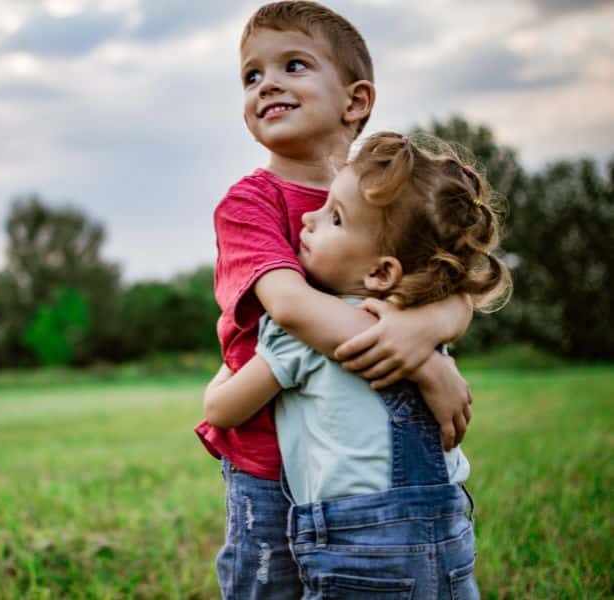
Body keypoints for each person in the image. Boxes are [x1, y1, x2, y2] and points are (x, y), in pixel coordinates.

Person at [195, 2, 476, 597]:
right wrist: (423, 360)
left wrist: (434, 323)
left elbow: (456, 285)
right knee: (270, 586)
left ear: (355, 101)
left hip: (365, 472)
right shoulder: (250, 204)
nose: (266, 82)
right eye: (251, 75)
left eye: (292, 65)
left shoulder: (386, 193)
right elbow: (291, 307)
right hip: (269, 457)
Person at [205, 131, 511, 598]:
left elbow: (222, 410)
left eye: (334, 217)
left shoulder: (307, 327)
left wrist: (231, 365)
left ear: (381, 271)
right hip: (449, 531)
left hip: (353, 541)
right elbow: (460, 299)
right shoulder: (418, 320)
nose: (308, 219)